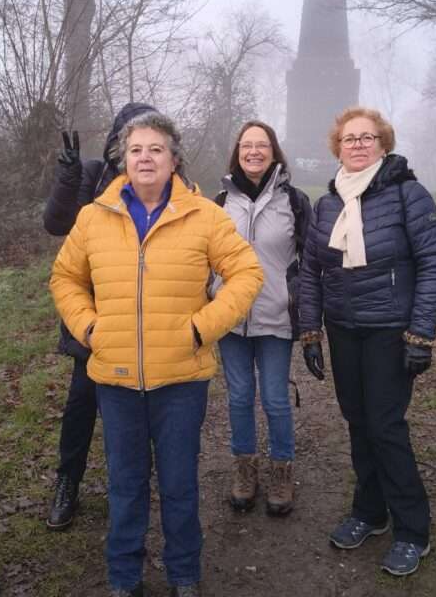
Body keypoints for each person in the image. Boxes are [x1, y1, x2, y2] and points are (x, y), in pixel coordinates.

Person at [49, 111, 263, 597]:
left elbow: (247, 273)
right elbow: (65, 278)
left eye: (156, 149)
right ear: (123, 159)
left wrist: (201, 328)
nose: (145, 158)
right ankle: (124, 577)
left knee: (179, 484)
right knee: (125, 486)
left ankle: (184, 573)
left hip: (182, 380)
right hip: (115, 377)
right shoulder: (94, 216)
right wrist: (88, 327)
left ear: (174, 159)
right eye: (136, 150)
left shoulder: (204, 215)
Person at [298, 106, 436, 578]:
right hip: (344, 328)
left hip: (389, 330)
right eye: (349, 138)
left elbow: (433, 263)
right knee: (357, 422)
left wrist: (421, 334)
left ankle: (411, 529)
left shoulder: (409, 195)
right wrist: (310, 330)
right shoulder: (327, 204)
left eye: (367, 138)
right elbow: (311, 271)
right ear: (337, 147)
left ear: (384, 144)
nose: (358, 145)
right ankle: (370, 511)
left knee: (385, 426)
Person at [42, 102, 158, 529]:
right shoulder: (92, 175)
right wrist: (69, 177)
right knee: (81, 405)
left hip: (145, 321)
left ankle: (131, 486)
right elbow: (56, 224)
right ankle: (67, 483)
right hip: (92, 318)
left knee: (134, 410)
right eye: (129, 135)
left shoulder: (162, 184)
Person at [213, 120, 311, 515]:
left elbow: (311, 261)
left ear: (274, 152)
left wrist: (304, 311)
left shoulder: (295, 201)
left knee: (274, 398)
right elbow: (203, 256)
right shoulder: (218, 202)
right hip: (230, 319)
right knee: (238, 397)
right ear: (237, 153)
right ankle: (244, 470)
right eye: (246, 146)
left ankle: (281, 473)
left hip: (275, 318)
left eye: (262, 145)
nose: (253, 152)